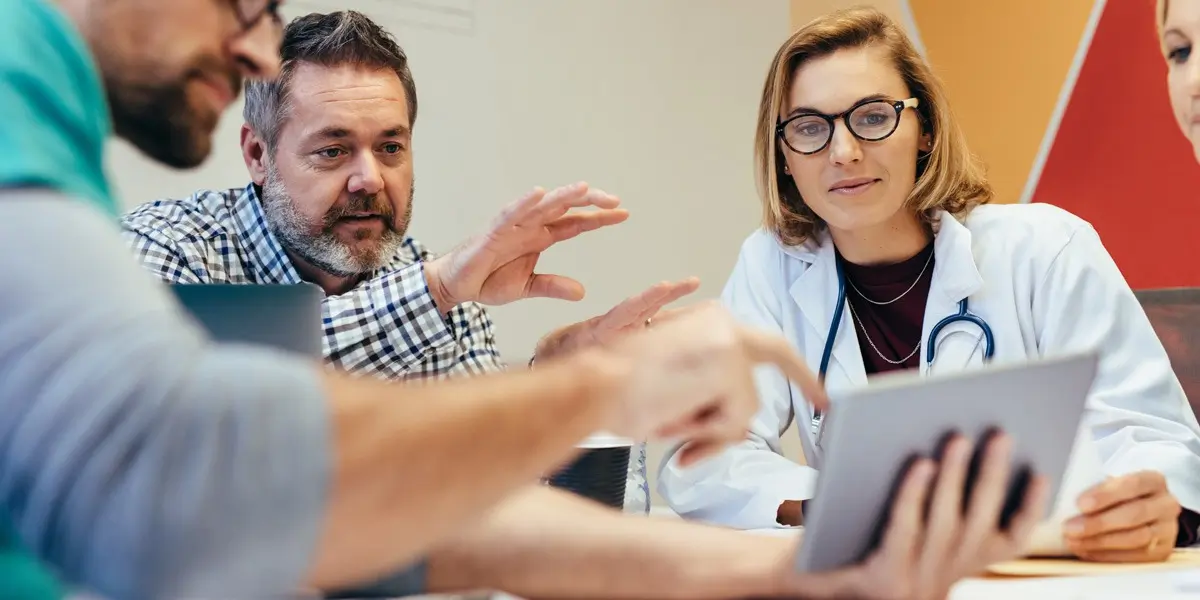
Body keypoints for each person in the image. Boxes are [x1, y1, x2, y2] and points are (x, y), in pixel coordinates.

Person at [0, 1, 1047, 599]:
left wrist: (798, 579)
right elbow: (198, 454)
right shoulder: (137, 214)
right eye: (239, 1)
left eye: (392, 146)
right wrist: (575, 380)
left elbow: (442, 513)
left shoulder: (62, 140)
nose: (249, 46)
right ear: (259, 152)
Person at [659, 6, 1200, 564]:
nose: (843, 152)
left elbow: (1156, 439)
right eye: (809, 129)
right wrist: (848, 505)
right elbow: (705, 458)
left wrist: (1156, 508)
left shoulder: (1047, 248)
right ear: (786, 159)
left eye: (872, 117)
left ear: (925, 132)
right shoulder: (773, 265)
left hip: (1049, 573)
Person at [117, 11, 697, 511]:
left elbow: (482, 485)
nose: (369, 178)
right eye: (334, 149)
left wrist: (553, 377)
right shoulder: (165, 249)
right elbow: (195, 431)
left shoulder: (429, 278)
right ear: (257, 154)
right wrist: (437, 289)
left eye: (390, 147)